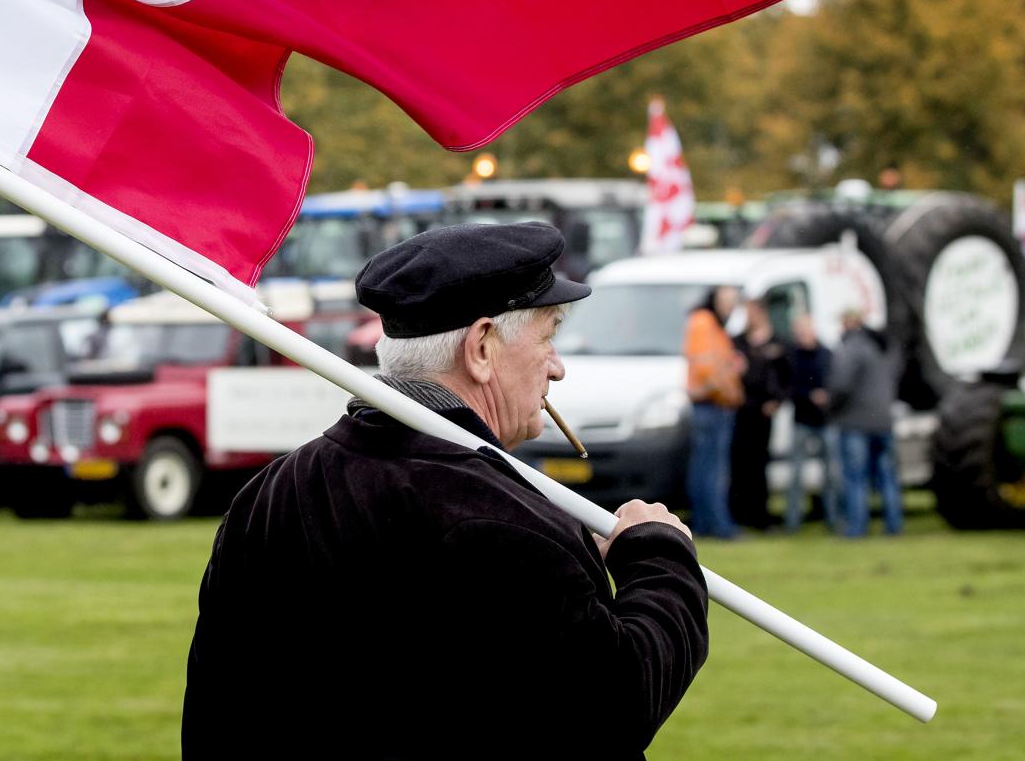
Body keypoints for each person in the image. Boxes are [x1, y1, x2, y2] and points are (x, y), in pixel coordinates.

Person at [183, 223, 708, 758]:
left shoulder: (270, 492)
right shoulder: (498, 518)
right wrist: (658, 557)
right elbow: (613, 708)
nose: (557, 368)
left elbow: (214, 712)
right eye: (547, 338)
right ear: (481, 347)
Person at [829, 309, 904, 537]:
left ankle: (857, 527)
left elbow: (841, 385)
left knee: (856, 478)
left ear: (847, 323)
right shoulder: (882, 347)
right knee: (887, 478)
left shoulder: (850, 349)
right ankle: (893, 525)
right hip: (883, 420)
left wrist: (830, 407)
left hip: (856, 422)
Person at [684, 286, 745, 539]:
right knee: (713, 470)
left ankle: (704, 522)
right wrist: (730, 394)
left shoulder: (710, 325)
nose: (730, 307)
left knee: (704, 467)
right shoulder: (704, 323)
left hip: (710, 405)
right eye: (727, 301)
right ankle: (719, 525)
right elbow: (708, 369)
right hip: (711, 405)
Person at [729, 299, 790, 530]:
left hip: (763, 413)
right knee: (740, 464)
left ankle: (760, 516)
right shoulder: (738, 342)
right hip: (742, 410)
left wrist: (777, 400)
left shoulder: (777, 343)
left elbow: (787, 376)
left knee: (759, 464)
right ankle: (740, 514)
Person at [784, 314, 837, 531]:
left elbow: (835, 382)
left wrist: (827, 396)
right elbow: (788, 387)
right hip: (802, 419)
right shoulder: (792, 356)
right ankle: (792, 522)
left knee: (831, 474)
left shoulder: (827, 354)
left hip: (825, 420)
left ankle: (833, 518)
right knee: (796, 475)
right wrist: (808, 395)